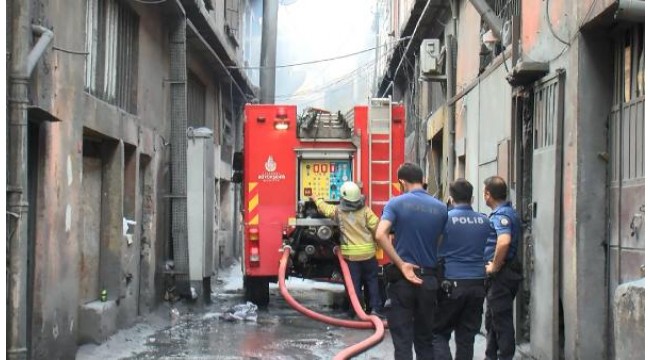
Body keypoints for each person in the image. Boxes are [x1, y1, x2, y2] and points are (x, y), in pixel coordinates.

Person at [374, 162, 448, 360]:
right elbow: (441, 241)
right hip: (429, 281)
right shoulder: (441, 208)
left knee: (402, 342)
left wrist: (401, 264)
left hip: (402, 282)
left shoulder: (396, 203)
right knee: (425, 340)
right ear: (423, 180)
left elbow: (381, 234)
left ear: (401, 182)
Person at [432, 179, 493, 360]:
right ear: (472, 198)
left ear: (450, 199)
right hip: (477, 285)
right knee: (466, 338)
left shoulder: (445, 220)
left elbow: (435, 248)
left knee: (438, 333)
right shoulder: (484, 221)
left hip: (451, 284)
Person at [310, 181, 384, 318]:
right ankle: (375, 309)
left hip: (352, 258)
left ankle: (354, 310)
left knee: (353, 286)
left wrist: (316, 199)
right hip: (369, 256)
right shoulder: (366, 211)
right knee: (372, 282)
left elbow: (325, 209)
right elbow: (377, 228)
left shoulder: (339, 212)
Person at [482, 176, 523, 360]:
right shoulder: (507, 212)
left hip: (502, 274)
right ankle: (491, 356)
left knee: (501, 319)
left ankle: (504, 356)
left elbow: (504, 242)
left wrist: (494, 267)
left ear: (488, 194)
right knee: (492, 319)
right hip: (505, 274)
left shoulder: (502, 216)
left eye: (484, 192)